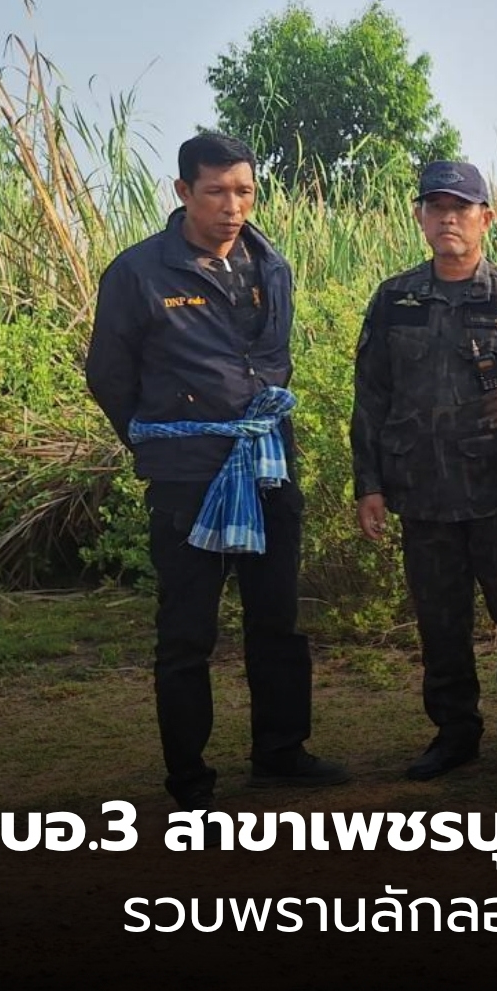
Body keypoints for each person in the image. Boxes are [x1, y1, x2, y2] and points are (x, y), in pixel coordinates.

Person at [85, 132, 347, 810]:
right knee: (187, 632)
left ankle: (281, 751)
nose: (233, 207)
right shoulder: (139, 273)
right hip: (188, 475)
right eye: (216, 192)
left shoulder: (272, 264)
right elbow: (108, 376)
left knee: (277, 618)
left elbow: (276, 360)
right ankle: (190, 778)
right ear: (182, 191)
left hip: (267, 466)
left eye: (244, 192)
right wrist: (161, 443)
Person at [351, 161, 497, 784]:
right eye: (436, 208)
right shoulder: (395, 299)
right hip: (424, 496)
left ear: (486, 218)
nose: (448, 219)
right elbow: (371, 397)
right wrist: (369, 485)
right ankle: (455, 734)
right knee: (441, 627)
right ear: (420, 217)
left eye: (460, 208)